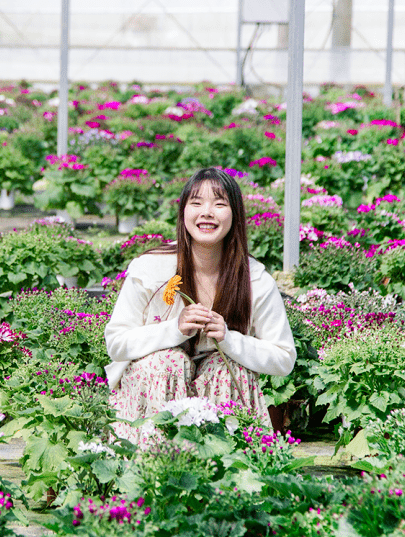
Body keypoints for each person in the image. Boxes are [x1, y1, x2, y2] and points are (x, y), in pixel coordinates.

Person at [104, 166, 296, 441]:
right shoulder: (151, 268)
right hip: (155, 385)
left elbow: (284, 357)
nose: (207, 212)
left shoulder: (253, 278)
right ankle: (151, 462)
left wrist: (230, 340)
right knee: (166, 362)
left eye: (219, 204)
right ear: (183, 213)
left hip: (218, 387)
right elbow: (116, 342)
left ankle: (226, 469)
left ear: (235, 215)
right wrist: (174, 330)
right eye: (196, 203)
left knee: (227, 370)